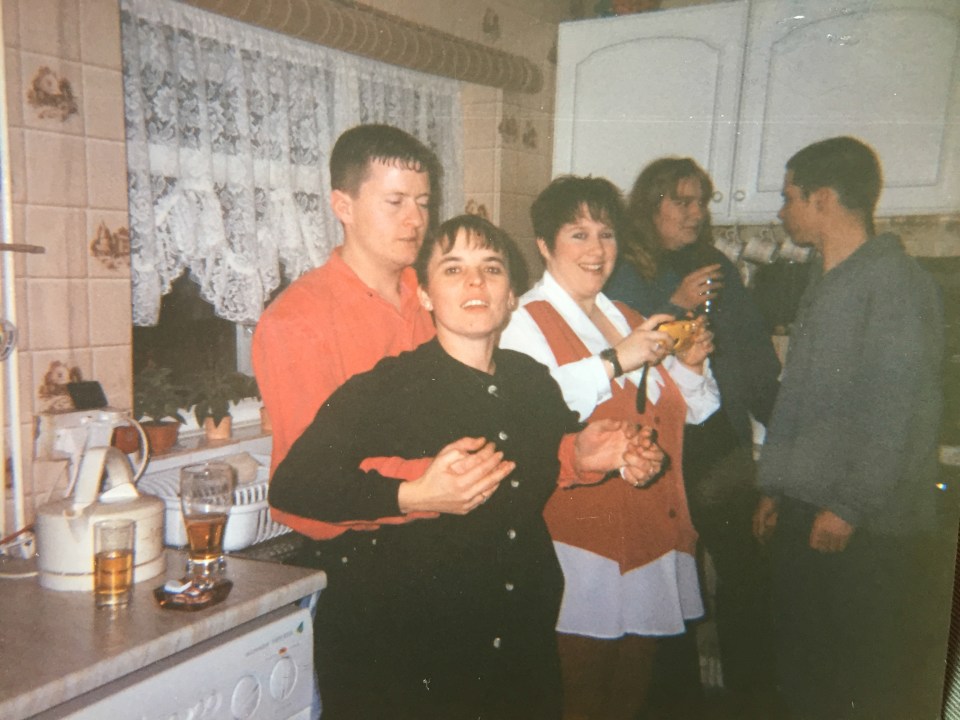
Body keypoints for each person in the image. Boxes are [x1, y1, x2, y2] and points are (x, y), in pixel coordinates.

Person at [269, 214, 666, 720]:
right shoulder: (391, 386)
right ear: (427, 296)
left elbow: (547, 458)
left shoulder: (531, 380)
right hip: (410, 654)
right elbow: (293, 485)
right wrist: (412, 495)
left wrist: (589, 456)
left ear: (511, 298)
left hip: (520, 641)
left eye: (492, 269)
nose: (476, 282)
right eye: (454, 269)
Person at [499, 176, 720, 720]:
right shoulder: (522, 322)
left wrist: (691, 367)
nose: (596, 250)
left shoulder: (628, 315)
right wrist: (618, 359)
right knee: (579, 688)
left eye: (606, 234)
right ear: (546, 246)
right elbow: (537, 413)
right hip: (580, 535)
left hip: (651, 524)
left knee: (630, 689)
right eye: (578, 234)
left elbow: (694, 409)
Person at [752, 136, 950, 719]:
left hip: (857, 522)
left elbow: (897, 406)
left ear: (824, 199)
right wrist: (774, 489)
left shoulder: (893, 285)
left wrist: (848, 505)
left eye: (790, 197)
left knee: (854, 680)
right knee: (806, 671)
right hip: (809, 506)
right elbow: (803, 402)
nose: (782, 212)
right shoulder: (830, 280)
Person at [605, 157, 781, 714]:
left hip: (716, 445)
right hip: (659, 446)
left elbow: (751, 352)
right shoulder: (623, 270)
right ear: (649, 204)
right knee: (668, 576)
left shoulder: (715, 264)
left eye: (699, 201)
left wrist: (777, 431)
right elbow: (619, 351)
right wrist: (676, 302)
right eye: (680, 201)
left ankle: (752, 695)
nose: (695, 212)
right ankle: (671, 701)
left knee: (745, 573)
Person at [252, 123, 440, 539]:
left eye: (423, 203)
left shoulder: (434, 298)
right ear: (344, 206)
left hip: (445, 532)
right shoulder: (296, 320)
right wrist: (435, 482)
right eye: (395, 202)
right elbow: (315, 476)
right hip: (361, 549)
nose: (415, 220)